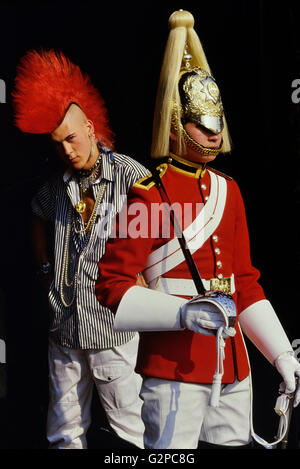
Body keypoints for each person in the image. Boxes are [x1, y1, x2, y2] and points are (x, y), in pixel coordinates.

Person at [95, 10, 300, 449]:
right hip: (173, 370)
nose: (212, 135)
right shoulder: (149, 196)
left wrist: (281, 352)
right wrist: (181, 314)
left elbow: (244, 282)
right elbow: (111, 285)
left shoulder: (230, 190)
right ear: (175, 122)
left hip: (233, 366)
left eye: (216, 124)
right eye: (200, 125)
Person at [12, 49, 148, 449]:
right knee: (64, 434)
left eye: (71, 138)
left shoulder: (129, 176)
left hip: (113, 329)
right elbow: (36, 214)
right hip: (64, 328)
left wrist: (144, 285)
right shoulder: (56, 186)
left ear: (90, 128)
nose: (68, 151)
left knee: (132, 432)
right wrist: (44, 269)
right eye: (58, 145)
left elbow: (163, 233)